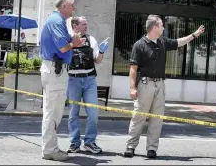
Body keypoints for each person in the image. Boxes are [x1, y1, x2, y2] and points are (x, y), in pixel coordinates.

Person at [123, 15, 205, 159]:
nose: (163, 28)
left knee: (157, 118)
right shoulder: (139, 45)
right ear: (154, 27)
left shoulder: (162, 41)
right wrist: (132, 88)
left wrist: (194, 35)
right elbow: (133, 68)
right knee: (138, 117)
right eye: (161, 25)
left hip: (160, 84)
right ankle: (131, 146)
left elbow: (179, 42)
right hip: (145, 84)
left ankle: (152, 149)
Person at [39, 0, 84, 161]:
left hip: (54, 69)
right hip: (55, 71)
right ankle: (50, 150)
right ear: (64, 6)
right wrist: (74, 44)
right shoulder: (57, 21)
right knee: (53, 112)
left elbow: (63, 44)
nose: (73, 9)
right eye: (72, 6)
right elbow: (63, 47)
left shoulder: (55, 20)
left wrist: (72, 41)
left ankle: (51, 147)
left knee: (53, 111)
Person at [66, 16, 109, 154]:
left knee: (93, 113)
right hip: (73, 80)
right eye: (84, 24)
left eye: (86, 24)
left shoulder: (91, 40)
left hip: (90, 80)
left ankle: (90, 142)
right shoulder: (68, 40)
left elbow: (98, 60)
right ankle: (75, 143)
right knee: (73, 114)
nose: (86, 26)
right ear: (75, 26)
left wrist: (101, 51)